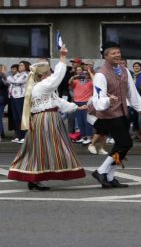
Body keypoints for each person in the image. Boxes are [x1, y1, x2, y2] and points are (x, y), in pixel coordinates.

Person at [7, 46, 87, 190]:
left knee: (39, 148)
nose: (51, 74)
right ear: (43, 75)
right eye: (49, 72)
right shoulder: (42, 86)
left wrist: (75, 107)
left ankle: (34, 178)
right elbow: (57, 78)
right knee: (45, 148)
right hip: (46, 119)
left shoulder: (40, 87)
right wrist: (62, 57)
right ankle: (35, 178)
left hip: (44, 119)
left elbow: (56, 101)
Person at [90, 41, 141, 189]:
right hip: (108, 114)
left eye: (118, 52)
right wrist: (107, 100)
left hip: (122, 111)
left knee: (120, 146)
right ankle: (101, 171)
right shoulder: (101, 75)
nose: (117, 55)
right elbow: (97, 98)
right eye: (113, 53)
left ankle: (110, 177)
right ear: (106, 56)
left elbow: (132, 92)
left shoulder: (124, 70)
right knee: (126, 143)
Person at [68, 60, 95, 145]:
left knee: (87, 121)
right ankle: (83, 137)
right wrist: (74, 77)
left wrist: (89, 73)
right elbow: (70, 84)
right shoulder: (76, 81)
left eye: (85, 74)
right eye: (82, 74)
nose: (84, 75)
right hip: (77, 102)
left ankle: (89, 137)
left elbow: (95, 81)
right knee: (80, 121)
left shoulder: (91, 82)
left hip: (86, 102)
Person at [6, 61, 30, 143]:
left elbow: (16, 82)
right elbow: (8, 82)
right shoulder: (17, 74)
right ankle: (18, 135)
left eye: (21, 65)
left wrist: (8, 77)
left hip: (20, 97)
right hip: (13, 97)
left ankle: (24, 135)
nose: (20, 66)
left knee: (21, 116)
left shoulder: (26, 74)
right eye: (19, 65)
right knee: (15, 117)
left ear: (26, 66)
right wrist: (8, 78)